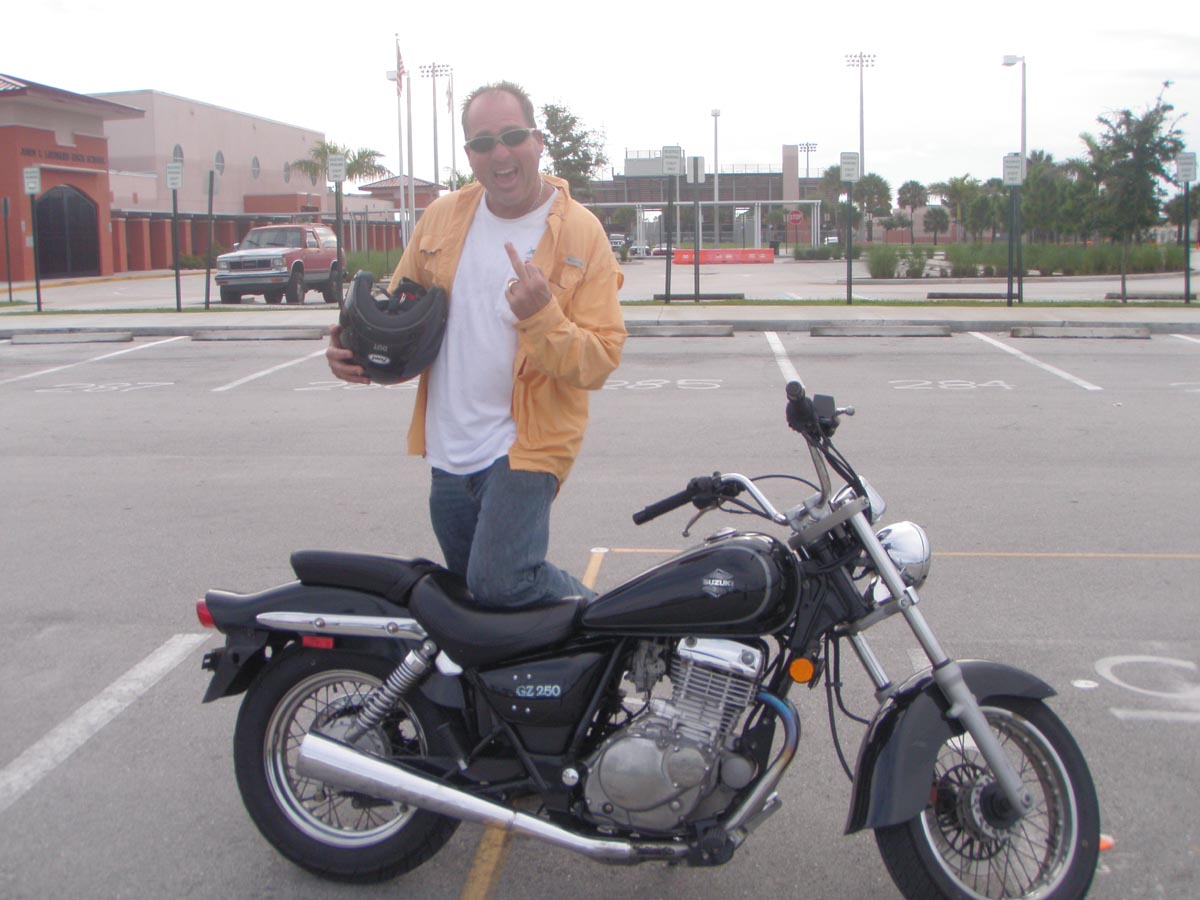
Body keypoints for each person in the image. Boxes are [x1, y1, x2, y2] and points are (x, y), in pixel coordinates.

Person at [326, 81, 626, 607]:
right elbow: (398, 313)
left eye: (512, 136)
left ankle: (612, 622)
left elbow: (600, 359)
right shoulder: (443, 217)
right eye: (483, 143)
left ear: (537, 141)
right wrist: (353, 349)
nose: (500, 153)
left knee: (502, 582)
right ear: (469, 154)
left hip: (527, 447)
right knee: (475, 605)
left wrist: (542, 315)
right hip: (449, 448)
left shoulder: (581, 233)